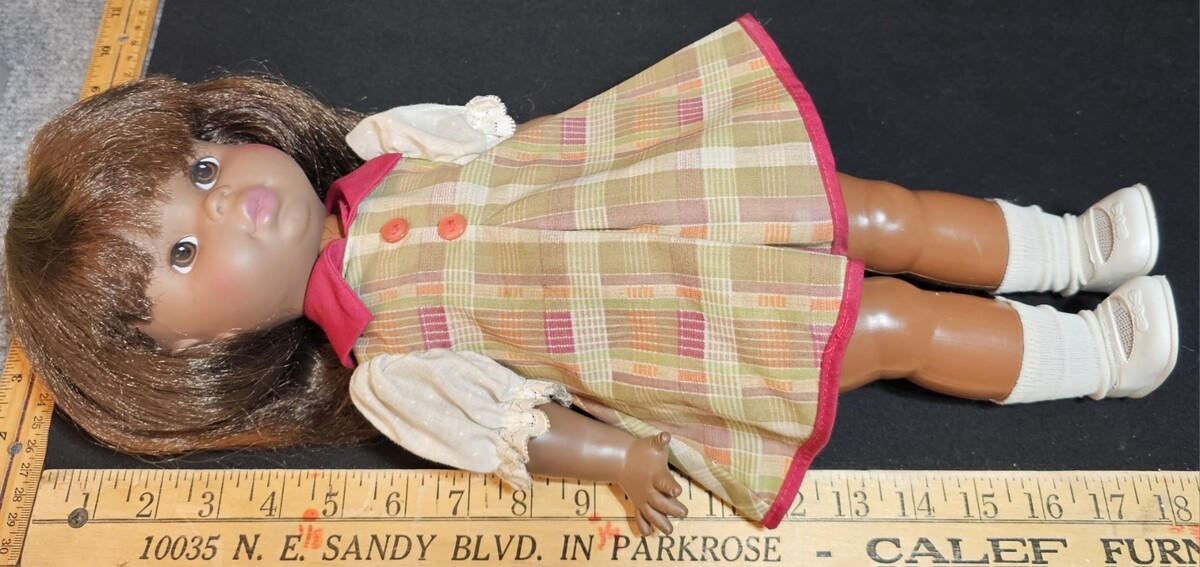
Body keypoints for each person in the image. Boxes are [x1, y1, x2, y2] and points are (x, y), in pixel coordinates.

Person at [4, 16, 1177, 534]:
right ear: (196, 348)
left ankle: (1069, 247)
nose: (224, 201)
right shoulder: (387, 368)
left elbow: (502, 142)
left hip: (655, 191)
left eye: (202, 167)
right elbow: (512, 421)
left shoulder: (380, 149)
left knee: (867, 207)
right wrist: (614, 458)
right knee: (877, 328)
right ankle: (1095, 354)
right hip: (662, 317)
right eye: (184, 251)